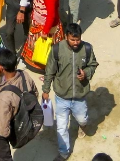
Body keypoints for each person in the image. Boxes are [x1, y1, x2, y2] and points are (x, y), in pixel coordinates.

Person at [42, 22, 98, 161]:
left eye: (78, 39)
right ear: (66, 36)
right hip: (62, 97)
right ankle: (63, 153)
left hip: (80, 95)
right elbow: (49, 71)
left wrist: (86, 73)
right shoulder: (56, 50)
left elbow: (93, 64)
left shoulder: (87, 48)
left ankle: (81, 126)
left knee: (82, 119)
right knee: (61, 127)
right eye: (72, 39)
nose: (75, 42)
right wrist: (45, 90)